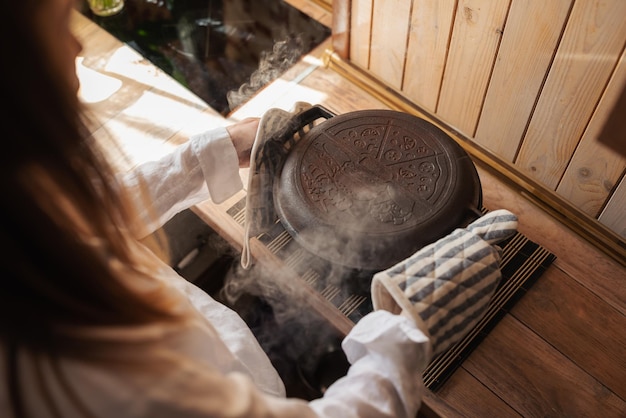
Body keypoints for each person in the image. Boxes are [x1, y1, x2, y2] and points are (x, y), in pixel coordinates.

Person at [0, 0, 435, 417]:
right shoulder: (79, 354)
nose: (78, 46)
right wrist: (400, 336)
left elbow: (77, 219)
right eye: (59, 25)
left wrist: (212, 152)